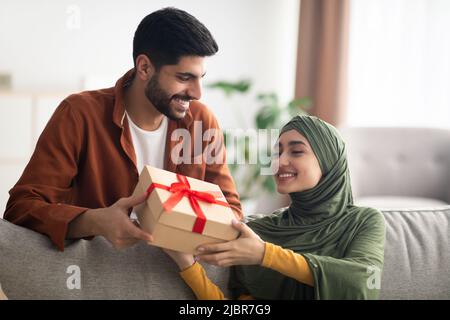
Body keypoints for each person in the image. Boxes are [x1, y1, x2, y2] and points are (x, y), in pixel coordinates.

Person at [4, 7, 242, 251]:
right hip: (97, 273)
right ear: (145, 68)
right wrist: (94, 221)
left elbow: (231, 212)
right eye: (184, 78)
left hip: (175, 274)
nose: (197, 93)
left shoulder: (202, 121)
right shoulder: (79, 114)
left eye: (201, 77)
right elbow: (21, 207)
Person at [164, 115, 386, 299]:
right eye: (277, 152)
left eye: (296, 151)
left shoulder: (364, 221)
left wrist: (264, 254)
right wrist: (188, 265)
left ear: (329, 160)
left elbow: (362, 282)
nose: (279, 162)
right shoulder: (257, 232)